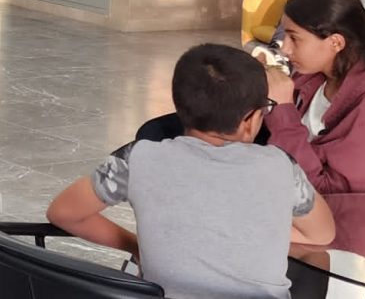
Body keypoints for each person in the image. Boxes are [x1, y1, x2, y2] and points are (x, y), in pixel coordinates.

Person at [47, 44, 335, 299]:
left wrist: (135, 246)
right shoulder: (279, 166)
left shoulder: (138, 158)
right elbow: (322, 234)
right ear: (250, 120)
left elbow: (64, 212)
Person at [261, 0, 365, 194]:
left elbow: (331, 193)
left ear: (336, 42)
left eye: (294, 38)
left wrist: (282, 110)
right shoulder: (311, 76)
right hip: (289, 196)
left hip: (343, 211)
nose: (285, 49)